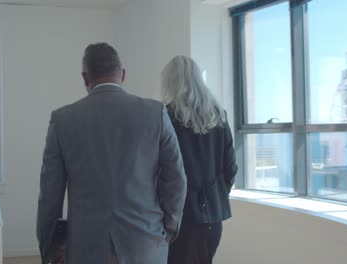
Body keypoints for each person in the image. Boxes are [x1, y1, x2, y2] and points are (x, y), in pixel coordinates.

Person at [36, 43, 187, 264]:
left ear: (85, 78)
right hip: (145, 243)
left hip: (85, 247)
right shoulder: (155, 113)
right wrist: (168, 227)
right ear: (123, 74)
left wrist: (49, 248)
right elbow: (176, 178)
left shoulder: (62, 120)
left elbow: (49, 195)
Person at [161, 55, 238, 264]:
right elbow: (230, 168)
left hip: (180, 219)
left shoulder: (166, 117)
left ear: (171, 82)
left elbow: (162, 171)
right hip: (213, 218)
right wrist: (215, 195)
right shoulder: (219, 115)